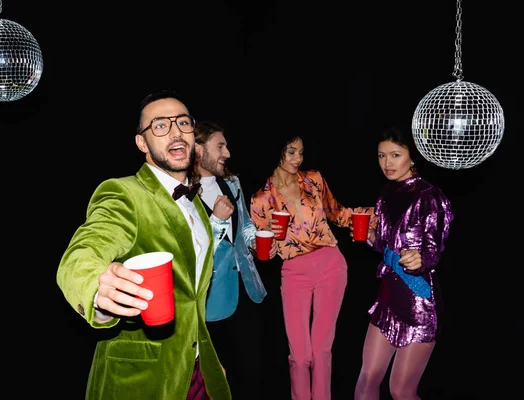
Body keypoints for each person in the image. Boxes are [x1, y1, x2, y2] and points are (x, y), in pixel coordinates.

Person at [56, 90, 230, 400]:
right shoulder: (124, 193)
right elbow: (83, 252)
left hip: (194, 375)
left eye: (183, 123)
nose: (176, 132)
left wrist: (206, 361)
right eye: (160, 126)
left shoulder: (199, 207)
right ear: (142, 142)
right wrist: (97, 289)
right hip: (140, 380)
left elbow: (192, 300)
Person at [249, 135, 376, 400]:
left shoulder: (314, 179)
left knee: (321, 349)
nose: (298, 159)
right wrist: (268, 243)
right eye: (291, 152)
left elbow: (338, 212)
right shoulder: (261, 198)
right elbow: (259, 245)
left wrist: (376, 214)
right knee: (300, 355)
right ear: (276, 152)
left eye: (301, 153)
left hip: (331, 264)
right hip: (294, 272)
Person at [353, 126, 454, 400]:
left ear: (412, 157)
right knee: (367, 379)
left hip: (418, 303)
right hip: (388, 297)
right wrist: (371, 237)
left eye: (395, 155)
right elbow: (386, 247)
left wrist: (421, 259)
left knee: (401, 391)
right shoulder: (386, 194)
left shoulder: (430, 197)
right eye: (381, 155)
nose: (387, 163)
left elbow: (435, 251)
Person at [191, 120, 274, 399]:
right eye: (220, 146)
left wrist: (257, 241)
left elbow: (246, 226)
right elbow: (191, 251)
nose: (227, 153)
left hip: (245, 289)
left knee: (252, 372)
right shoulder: (182, 194)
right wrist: (216, 220)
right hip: (211, 301)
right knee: (216, 379)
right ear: (198, 150)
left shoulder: (232, 182)